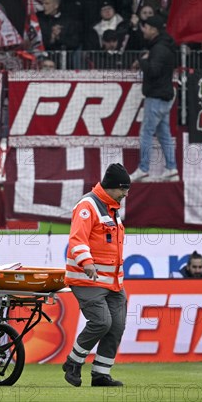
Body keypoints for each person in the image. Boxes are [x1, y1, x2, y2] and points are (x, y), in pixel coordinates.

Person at [62, 163, 130, 387]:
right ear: (111, 187)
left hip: (113, 283)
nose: (126, 193)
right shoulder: (87, 206)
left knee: (116, 326)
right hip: (87, 279)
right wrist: (87, 263)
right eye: (123, 189)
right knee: (101, 322)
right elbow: (77, 239)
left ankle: (101, 374)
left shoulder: (112, 208)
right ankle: (73, 362)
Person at [130, 16, 179, 183]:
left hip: (156, 97)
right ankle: (171, 168)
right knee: (164, 134)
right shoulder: (165, 46)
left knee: (146, 133)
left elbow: (154, 71)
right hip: (164, 97)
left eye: (146, 27)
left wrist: (143, 61)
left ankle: (143, 169)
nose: (143, 30)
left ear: (154, 29)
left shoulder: (159, 48)